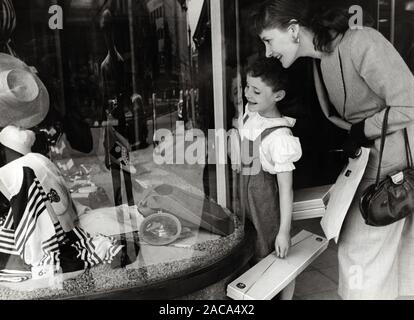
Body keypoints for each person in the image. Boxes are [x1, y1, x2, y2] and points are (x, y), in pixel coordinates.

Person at [251, 0, 414, 300]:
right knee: (376, 267)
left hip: (391, 174)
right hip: (373, 169)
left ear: (293, 29)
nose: (267, 52)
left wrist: (361, 130)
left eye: (268, 40)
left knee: (362, 265)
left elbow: (409, 101)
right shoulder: (322, 58)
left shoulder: (362, 42)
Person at [232, 57, 302, 299]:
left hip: (265, 206)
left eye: (256, 91)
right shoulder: (250, 114)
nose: (248, 94)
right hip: (243, 200)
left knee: (272, 257)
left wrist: (284, 231)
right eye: (247, 87)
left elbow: (285, 190)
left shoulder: (280, 136)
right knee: (247, 254)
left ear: (278, 96)